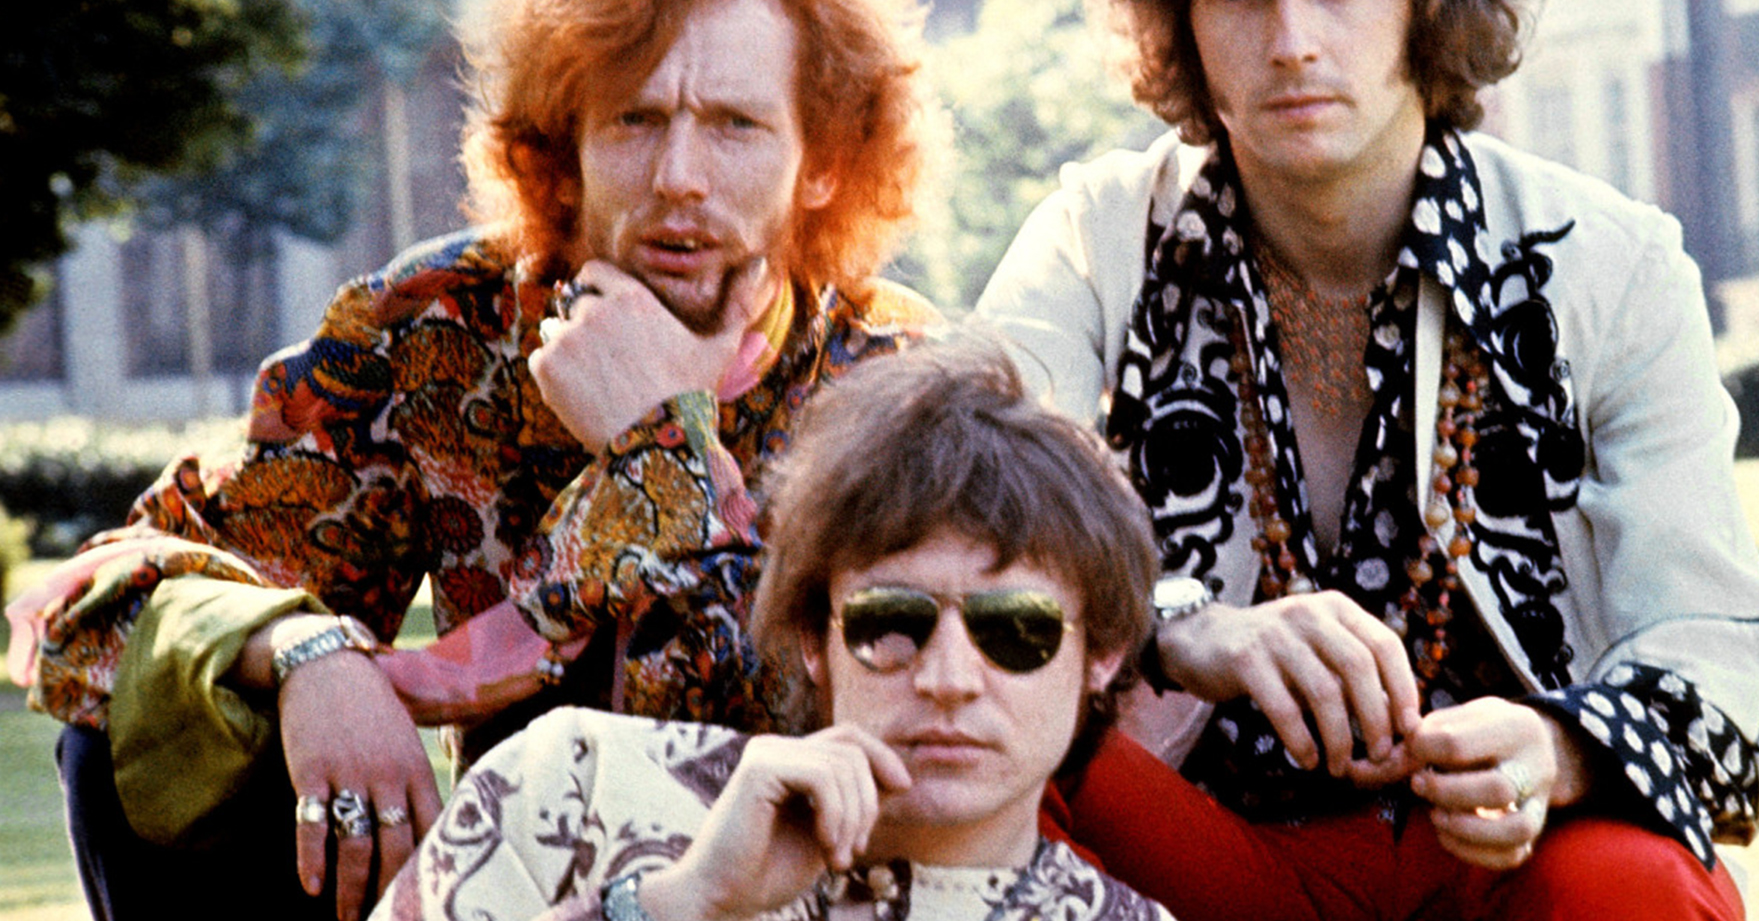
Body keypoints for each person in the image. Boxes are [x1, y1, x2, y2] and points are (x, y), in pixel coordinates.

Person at [4, 0, 942, 918]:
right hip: (500, 891)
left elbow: (908, 733)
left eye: (736, 125)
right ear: (566, 148)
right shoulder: (443, 326)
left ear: (824, 163)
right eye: (635, 120)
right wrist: (305, 650)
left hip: (779, 895)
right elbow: (95, 618)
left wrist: (658, 446)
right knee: (175, 707)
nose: (679, 178)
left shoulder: (899, 384)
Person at [973, 0, 1759, 918]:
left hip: (1501, 852)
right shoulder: (1096, 244)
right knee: (994, 763)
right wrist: (1179, 627)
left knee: (1634, 884)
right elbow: (952, 537)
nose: (1290, 42)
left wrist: (1562, 749)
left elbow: (1723, 651)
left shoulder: (1612, 268)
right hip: (1202, 847)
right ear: (1178, 17)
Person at [367, 340, 1170, 921]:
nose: (948, 679)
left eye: (1016, 629)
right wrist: (677, 904)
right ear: (815, 642)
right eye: (891, 622)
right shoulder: (577, 784)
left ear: (1100, 655)